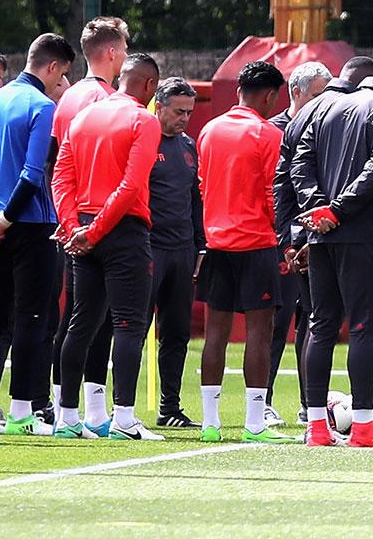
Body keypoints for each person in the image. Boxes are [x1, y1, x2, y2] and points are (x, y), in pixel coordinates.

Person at [0, 32, 73, 436]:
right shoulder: (42, 106)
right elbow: (32, 173)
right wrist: (6, 218)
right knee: (33, 317)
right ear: (54, 68)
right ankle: (22, 411)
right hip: (32, 224)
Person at [293, 57, 373, 447]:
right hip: (359, 232)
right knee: (363, 328)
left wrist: (317, 207)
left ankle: (316, 427)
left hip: (320, 233)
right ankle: (362, 425)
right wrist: (338, 210)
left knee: (320, 325)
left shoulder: (324, 107)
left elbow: (299, 162)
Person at [53, 53, 162, 439]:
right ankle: (124, 418)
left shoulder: (83, 117)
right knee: (129, 325)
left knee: (81, 323)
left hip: (82, 228)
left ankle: (66, 417)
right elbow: (131, 186)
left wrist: (73, 229)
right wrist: (95, 230)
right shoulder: (144, 120)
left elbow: (61, 178)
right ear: (149, 87)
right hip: (121, 230)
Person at [195, 61, 291, 443]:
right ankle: (254, 422)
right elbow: (272, 192)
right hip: (256, 244)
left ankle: (210, 423)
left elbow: (202, 185)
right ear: (269, 96)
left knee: (214, 334)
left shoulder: (208, 130)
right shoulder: (268, 134)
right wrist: (280, 236)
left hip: (217, 243)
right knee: (259, 333)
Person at [48, 15, 131, 428]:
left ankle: (66, 410)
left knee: (78, 316)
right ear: (113, 52)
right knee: (100, 320)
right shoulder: (106, 100)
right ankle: (92, 412)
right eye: (125, 49)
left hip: (72, 218)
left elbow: (57, 163)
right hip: (102, 217)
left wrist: (67, 220)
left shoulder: (67, 98)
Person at [267, 59, 332, 425]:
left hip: (313, 239)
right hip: (279, 239)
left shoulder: (326, 129)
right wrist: (284, 239)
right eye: (317, 95)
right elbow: (275, 190)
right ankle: (264, 400)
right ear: (296, 93)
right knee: (276, 322)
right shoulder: (275, 130)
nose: (323, 103)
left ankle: (312, 403)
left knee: (312, 320)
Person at [146, 76, 202, 429]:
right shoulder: (143, 140)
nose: (185, 118)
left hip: (182, 250)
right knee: (132, 329)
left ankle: (170, 408)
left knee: (178, 331)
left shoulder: (188, 145)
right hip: (149, 247)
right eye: (179, 111)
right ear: (160, 106)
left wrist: (200, 243)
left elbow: (194, 199)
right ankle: (120, 409)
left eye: (190, 112)